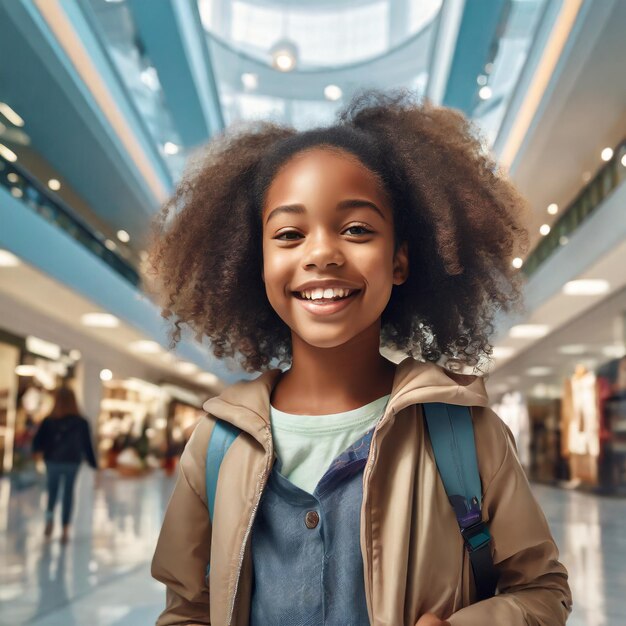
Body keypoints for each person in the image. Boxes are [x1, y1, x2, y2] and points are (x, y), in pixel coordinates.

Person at [150, 91, 572, 625]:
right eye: (288, 234)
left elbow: (542, 589)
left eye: (356, 229)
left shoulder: (465, 433)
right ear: (255, 262)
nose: (322, 253)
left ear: (399, 260)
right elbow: (188, 609)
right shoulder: (215, 445)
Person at [32, 385, 98, 543]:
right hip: (72, 462)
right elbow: (87, 445)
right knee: (69, 494)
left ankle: (49, 520)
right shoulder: (81, 422)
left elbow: (37, 442)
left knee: (52, 492)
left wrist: (37, 452)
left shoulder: (49, 421)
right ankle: (65, 529)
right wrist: (94, 464)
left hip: (52, 461)